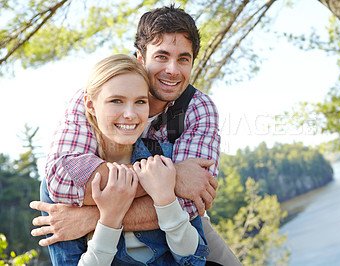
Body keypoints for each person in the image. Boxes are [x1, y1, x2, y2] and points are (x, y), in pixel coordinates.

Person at [30, 5, 242, 266]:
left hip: (178, 228)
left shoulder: (198, 109)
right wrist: (172, 176)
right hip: (104, 241)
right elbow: (62, 182)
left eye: (183, 59)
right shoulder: (97, 95)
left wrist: (89, 218)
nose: (173, 70)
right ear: (140, 58)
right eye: (162, 56)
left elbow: (189, 205)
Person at [61, 53, 208, 265]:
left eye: (140, 101)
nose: (130, 114)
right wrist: (109, 219)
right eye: (116, 101)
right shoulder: (68, 184)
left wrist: (165, 199)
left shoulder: (165, 161)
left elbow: (192, 259)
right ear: (91, 105)